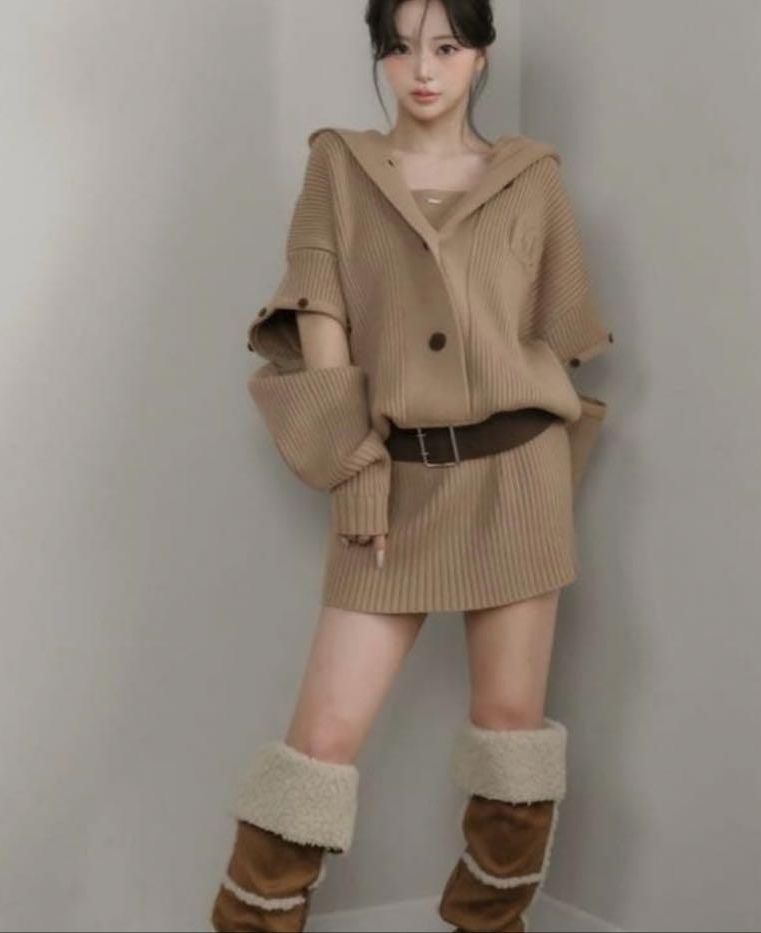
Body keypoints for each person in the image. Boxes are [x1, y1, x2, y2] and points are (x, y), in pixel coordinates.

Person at [211, 1, 614, 930]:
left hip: (517, 477)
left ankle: (489, 922)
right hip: (392, 477)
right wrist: (354, 467)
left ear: (481, 56)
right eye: (398, 49)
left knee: (511, 735)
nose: (422, 70)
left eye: (445, 47)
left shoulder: (532, 177)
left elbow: (562, 331)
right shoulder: (340, 166)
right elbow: (322, 317)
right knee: (319, 742)